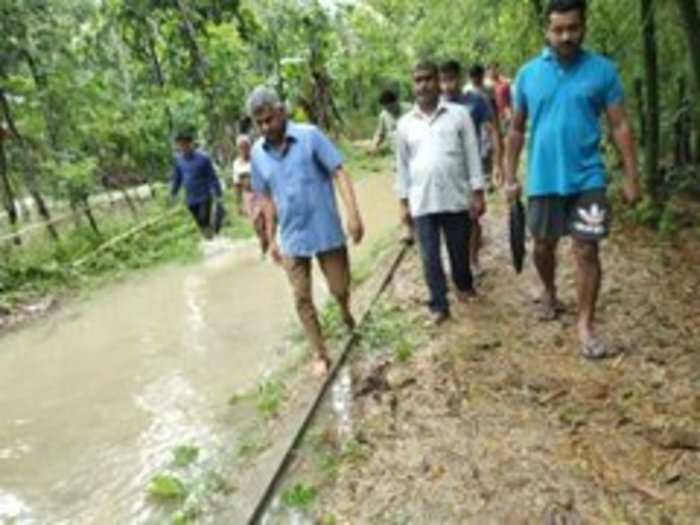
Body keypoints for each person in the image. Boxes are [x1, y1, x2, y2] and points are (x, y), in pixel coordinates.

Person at [505, 0, 641, 359]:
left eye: (572, 28)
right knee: (543, 247)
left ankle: (585, 324)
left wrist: (631, 176)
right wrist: (508, 175)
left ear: (583, 27)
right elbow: (516, 129)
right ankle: (550, 290)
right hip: (543, 179)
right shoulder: (528, 75)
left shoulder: (603, 71)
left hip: (588, 178)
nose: (565, 36)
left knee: (586, 249)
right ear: (547, 31)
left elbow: (620, 125)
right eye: (558, 29)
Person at [247, 86, 365, 376]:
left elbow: (338, 171)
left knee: (339, 286)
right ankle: (320, 352)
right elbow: (266, 198)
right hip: (292, 237)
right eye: (259, 123)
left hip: (325, 229)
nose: (266, 127)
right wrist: (271, 238)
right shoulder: (257, 154)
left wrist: (353, 214)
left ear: (282, 111)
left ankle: (345, 311)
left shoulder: (310, 136)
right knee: (301, 298)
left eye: (270, 119)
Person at [397, 60, 485, 326]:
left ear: (438, 81)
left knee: (459, 249)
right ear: (412, 85)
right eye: (418, 80)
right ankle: (438, 304)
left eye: (428, 79)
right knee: (429, 256)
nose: (423, 85)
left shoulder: (459, 115)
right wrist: (402, 204)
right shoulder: (404, 124)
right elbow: (401, 166)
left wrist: (478, 192)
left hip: (455, 196)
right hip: (422, 200)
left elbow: (472, 154)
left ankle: (464, 285)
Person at [440, 60, 503, 277]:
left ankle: (473, 259)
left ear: (460, 78)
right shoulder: (436, 105)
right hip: (446, 172)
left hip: (471, 169)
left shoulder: (476, 101)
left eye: (451, 79)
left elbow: (493, 130)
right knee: (449, 219)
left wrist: (497, 164)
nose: (447, 86)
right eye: (443, 81)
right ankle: (457, 259)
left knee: (473, 216)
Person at [370, 89, 415, 244]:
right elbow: (380, 133)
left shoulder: (410, 109)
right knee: (403, 195)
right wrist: (374, 144)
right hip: (398, 162)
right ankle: (407, 228)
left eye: (390, 106)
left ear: (396, 102)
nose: (389, 110)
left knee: (417, 192)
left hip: (415, 159)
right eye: (385, 107)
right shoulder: (383, 116)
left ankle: (420, 220)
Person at [170, 129, 225, 239]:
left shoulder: (203, 158)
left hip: (204, 195)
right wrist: (173, 192)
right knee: (199, 221)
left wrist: (217, 192)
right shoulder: (179, 161)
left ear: (190, 143)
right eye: (180, 145)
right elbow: (177, 178)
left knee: (204, 217)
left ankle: (211, 234)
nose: (183, 147)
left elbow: (212, 176)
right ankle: (209, 234)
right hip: (190, 198)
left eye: (185, 144)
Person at [486, 62, 513, 130]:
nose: (493, 71)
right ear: (487, 71)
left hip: (503, 115)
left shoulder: (505, 83)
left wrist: (508, 112)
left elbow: (508, 100)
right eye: (491, 69)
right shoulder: (485, 84)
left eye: (495, 68)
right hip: (490, 116)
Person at [231, 134, 252, 215]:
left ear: (249, 147)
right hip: (247, 196)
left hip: (260, 194)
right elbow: (236, 184)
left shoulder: (256, 160)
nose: (243, 149)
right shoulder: (236, 163)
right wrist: (238, 204)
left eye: (246, 146)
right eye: (241, 147)